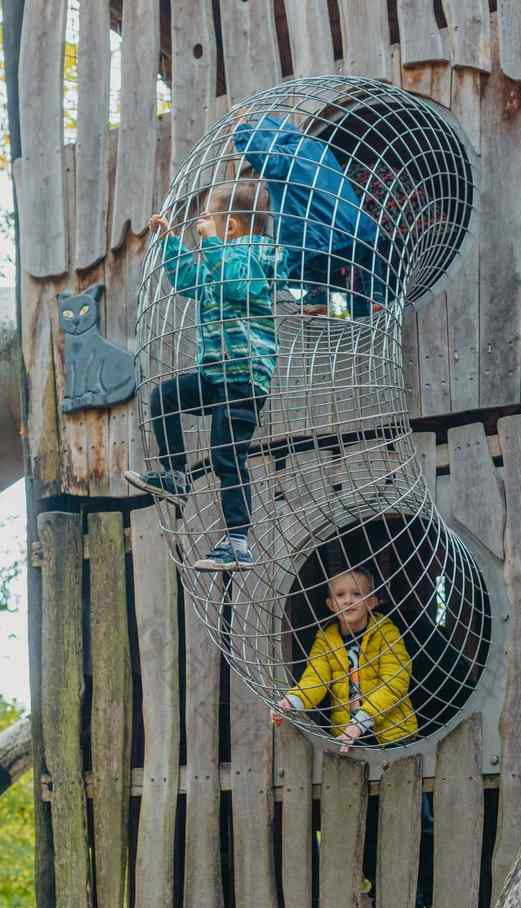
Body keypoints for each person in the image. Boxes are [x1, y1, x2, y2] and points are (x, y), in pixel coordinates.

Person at [124, 181, 288, 571]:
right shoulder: (219, 257)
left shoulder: (255, 254)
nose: (203, 228)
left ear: (229, 227)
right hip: (215, 374)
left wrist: (211, 243)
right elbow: (187, 282)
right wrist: (168, 241)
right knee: (164, 397)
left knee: (227, 456)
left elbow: (235, 285)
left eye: (209, 222)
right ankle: (176, 474)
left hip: (244, 378)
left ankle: (237, 541)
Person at [232, 112, 389, 318]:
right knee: (365, 254)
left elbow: (265, 156)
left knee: (301, 250)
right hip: (356, 232)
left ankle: (317, 297)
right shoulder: (317, 147)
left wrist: (242, 130)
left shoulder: (285, 157)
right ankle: (373, 298)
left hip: (317, 241)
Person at [272, 566, 417, 750]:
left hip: (393, 734)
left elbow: (395, 681)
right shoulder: (326, 640)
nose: (348, 600)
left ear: (371, 602)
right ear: (331, 604)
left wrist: (360, 722)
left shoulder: (386, 633)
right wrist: (291, 702)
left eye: (356, 594)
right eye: (340, 595)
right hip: (347, 735)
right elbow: (315, 679)